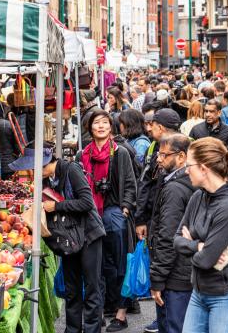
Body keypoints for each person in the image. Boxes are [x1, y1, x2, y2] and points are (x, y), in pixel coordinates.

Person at [9, 142, 105, 333]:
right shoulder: (45, 180)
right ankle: (72, 330)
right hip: (68, 238)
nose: (33, 172)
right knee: (72, 289)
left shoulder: (71, 170)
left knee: (92, 288)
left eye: (35, 167)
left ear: (45, 163)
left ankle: (92, 329)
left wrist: (57, 207)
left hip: (88, 235)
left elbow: (87, 202)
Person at [174, 137, 228, 332]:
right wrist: (200, 246)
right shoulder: (198, 196)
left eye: (189, 165)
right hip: (199, 293)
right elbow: (176, 240)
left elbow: (206, 260)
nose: (185, 170)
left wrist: (193, 243)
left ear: (203, 168)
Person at [80, 110, 137, 332]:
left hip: (114, 214)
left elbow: (130, 183)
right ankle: (100, 310)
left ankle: (121, 313)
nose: (101, 126)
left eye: (105, 122)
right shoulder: (82, 155)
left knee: (120, 264)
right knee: (97, 266)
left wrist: (125, 209)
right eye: (97, 123)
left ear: (111, 127)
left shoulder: (119, 152)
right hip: (91, 215)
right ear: (90, 127)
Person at [135, 108, 181, 333]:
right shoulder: (157, 148)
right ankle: (163, 319)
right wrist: (142, 218)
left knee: (165, 272)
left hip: (166, 221)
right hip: (155, 218)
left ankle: (167, 318)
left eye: (151, 124)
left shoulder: (173, 153)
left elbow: (147, 186)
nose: (148, 128)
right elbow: (146, 184)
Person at [149, 134, 195, 333]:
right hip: (183, 271)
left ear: (182, 157)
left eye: (164, 155)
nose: (159, 159)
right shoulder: (179, 181)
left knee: (172, 326)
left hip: (175, 275)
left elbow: (168, 237)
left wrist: (158, 279)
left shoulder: (175, 189)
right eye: (159, 154)